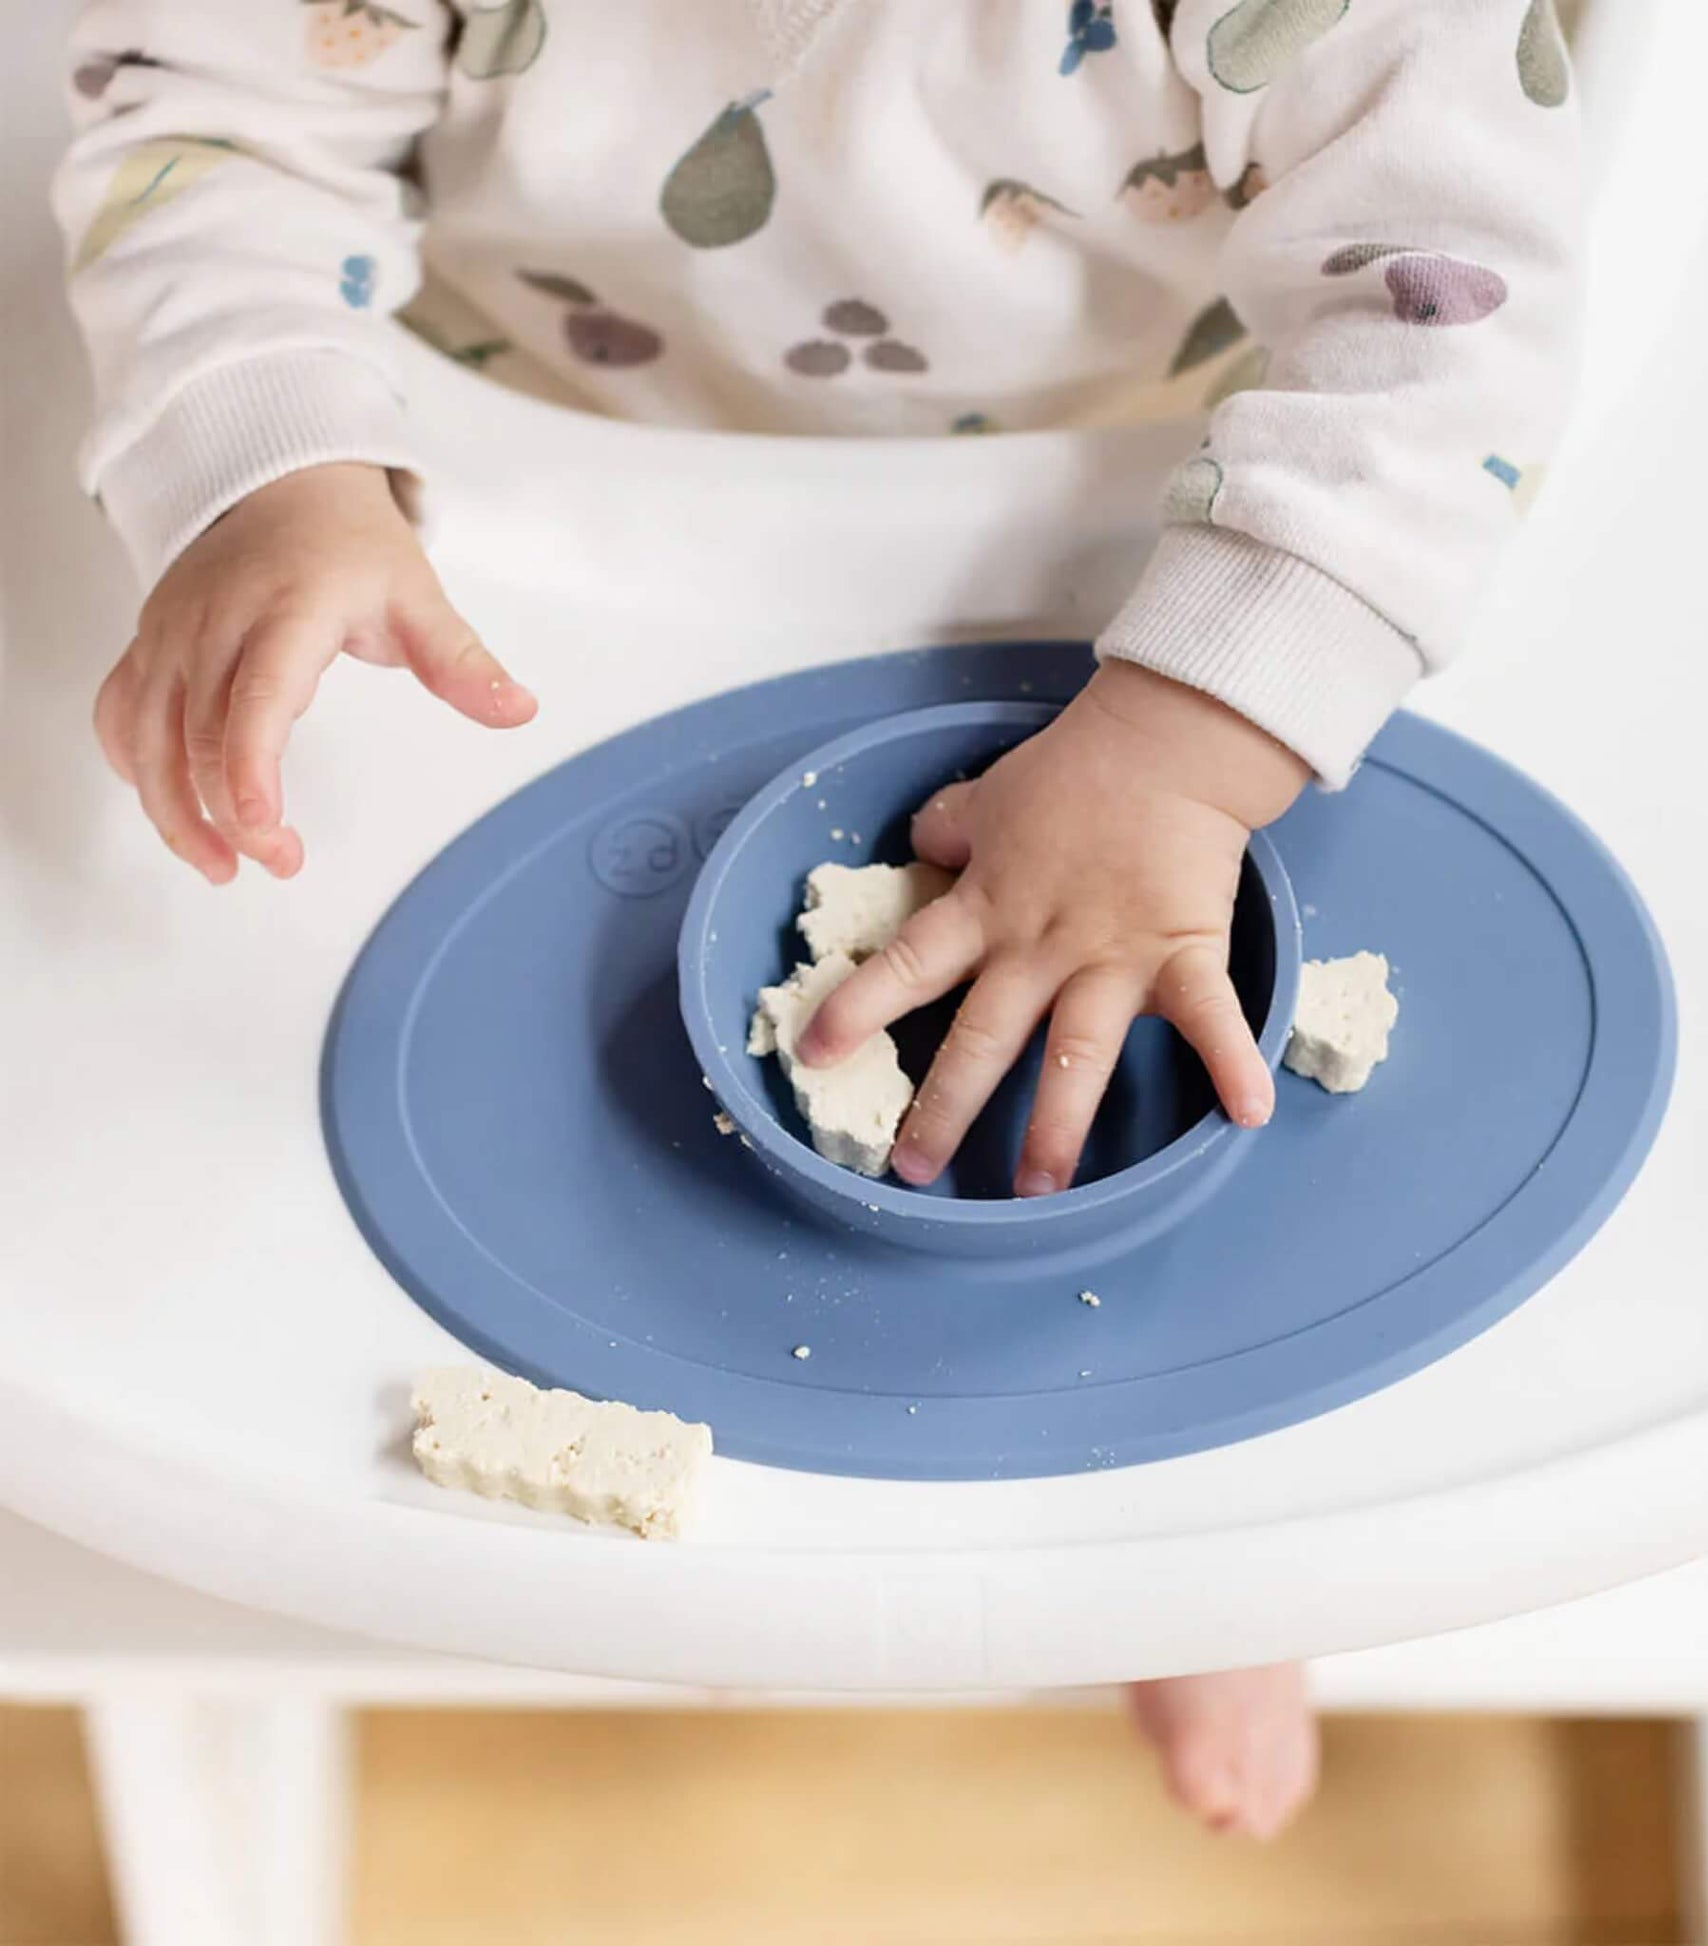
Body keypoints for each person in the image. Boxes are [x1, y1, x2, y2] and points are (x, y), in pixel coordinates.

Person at [54, 0, 1578, 1839]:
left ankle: (1191, 1553)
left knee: (1163, 1094)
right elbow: (213, 113)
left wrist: (1195, 741)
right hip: (560, 469)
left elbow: (1446, 311)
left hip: (1150, 506)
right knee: (559, 1098)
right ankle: (730, 1517)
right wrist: (264, 462)